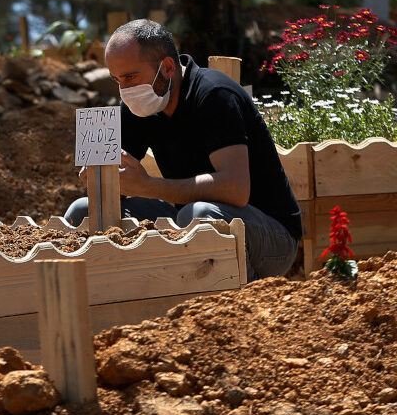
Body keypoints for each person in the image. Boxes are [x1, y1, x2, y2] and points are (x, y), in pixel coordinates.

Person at [64, 19, 302, 281]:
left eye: (131, 77)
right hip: (187, 218)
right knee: (82, 210)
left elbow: (236, 189)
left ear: (167, 67)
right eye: (117, 80)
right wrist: (100, 177)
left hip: (270, 238)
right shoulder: (141, 103)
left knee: (199, 215)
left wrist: (147, 186)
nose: (125, 91)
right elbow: (110, 186)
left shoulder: (214, 95)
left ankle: (242, 304)